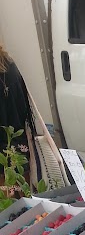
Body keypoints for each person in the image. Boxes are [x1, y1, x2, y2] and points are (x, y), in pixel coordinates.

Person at [0, 43, 35, 186]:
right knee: (24, 203)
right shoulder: (9, 65)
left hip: (5, 164)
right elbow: (24, 110)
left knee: (10, 206)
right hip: (20, 154)